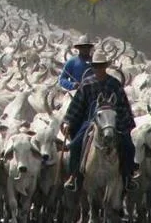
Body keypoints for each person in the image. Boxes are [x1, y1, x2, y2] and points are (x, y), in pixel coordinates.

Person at [60, 50, 140, 192]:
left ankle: (128, 176)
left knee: (128, 145)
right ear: (93, 67)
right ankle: (74, 177)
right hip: (91, 121)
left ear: (105, 66)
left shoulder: (114, 84)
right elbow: (77, 105)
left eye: (102, 65)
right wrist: (69, 121)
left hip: (112, 122)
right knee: (75, 145)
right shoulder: (87, 84)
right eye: (97, 66)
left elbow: (123, 106)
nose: (99, 68)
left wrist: (125, 123)